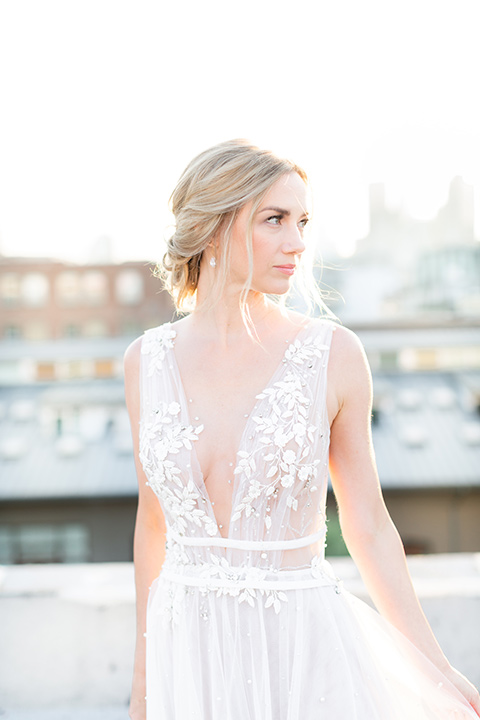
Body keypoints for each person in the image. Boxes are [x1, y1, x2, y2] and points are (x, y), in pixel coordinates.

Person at [124, 139, 479, 720]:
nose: (298, 242)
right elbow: (152, 522)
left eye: (304, 221)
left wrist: (434, 667)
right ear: (214, 228)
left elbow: (367, 525)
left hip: (300, 648)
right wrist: (144, 682)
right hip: (185, 648)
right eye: (276, 220)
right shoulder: (145, 361)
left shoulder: (332, 354)